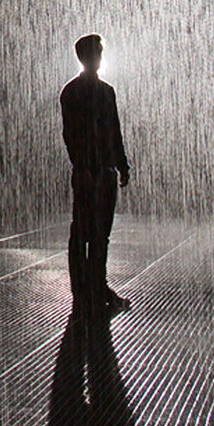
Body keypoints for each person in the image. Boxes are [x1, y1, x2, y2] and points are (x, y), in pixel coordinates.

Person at [58, 33, 132, 315]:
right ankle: (87, 290)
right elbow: (76, 135)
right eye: (97, 52)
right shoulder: (85, 93)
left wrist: (119, 165)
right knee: (88, 233)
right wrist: (89, 167)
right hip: (95, 172)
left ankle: (92, 288)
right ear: (86, 57)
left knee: (93, 233)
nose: (100, 56)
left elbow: (111, 132)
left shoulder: (81, 92)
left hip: (99, 172)